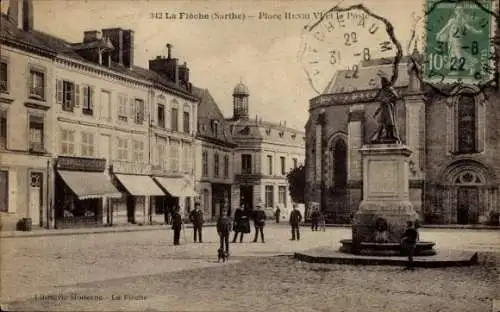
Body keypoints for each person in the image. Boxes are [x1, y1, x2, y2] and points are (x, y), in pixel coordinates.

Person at [372, 76, 400, 143]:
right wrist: (376, 112)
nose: (382, 83)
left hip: (388, 107)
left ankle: (391, 136)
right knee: (382, 122)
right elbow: (380, 102)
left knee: (389, 122)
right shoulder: (382, 90)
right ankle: (384, 136)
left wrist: (388, 100)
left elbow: (396, 96)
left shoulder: (389, 88)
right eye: (381, 82)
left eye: (383, 82)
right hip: (383, 108)